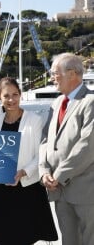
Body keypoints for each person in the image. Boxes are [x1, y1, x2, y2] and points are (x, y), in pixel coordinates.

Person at [0, 77, 58, 245]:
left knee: (26, 237)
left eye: (15, 95)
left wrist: (23, 172)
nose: (11, 100)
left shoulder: (34, 120)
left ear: (21, 95)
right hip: (3, 189)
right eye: (6, 96)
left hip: (27, 187)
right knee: (6, 237)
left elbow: (40, 154)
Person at [39, 52, 94, 245]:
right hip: (60, 192)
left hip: (85, 192)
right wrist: (44, 171)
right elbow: (45, 140)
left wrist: (59, 176)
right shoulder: (56, 103)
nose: (51, 78)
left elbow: (88, 146)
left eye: (55, 73)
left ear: (71, 74)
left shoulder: (90, 102)